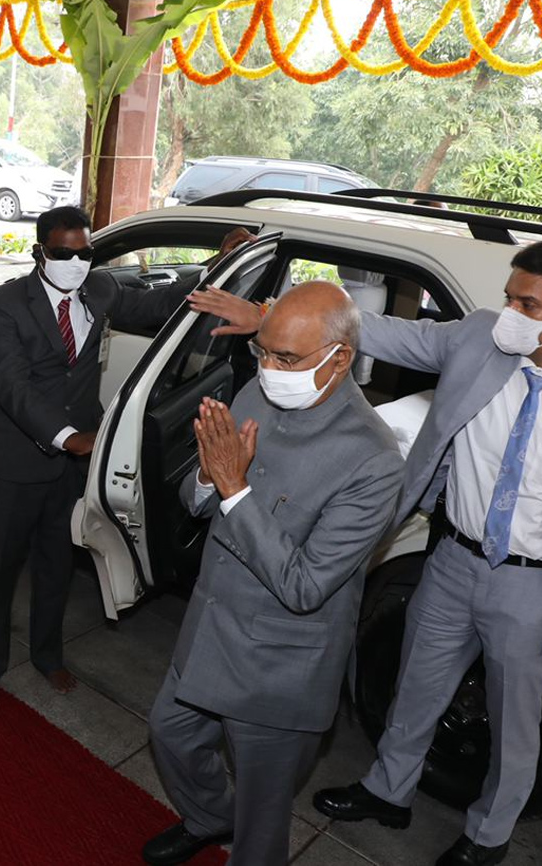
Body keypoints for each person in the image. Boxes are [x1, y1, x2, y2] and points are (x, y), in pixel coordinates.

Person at [191, 238, 542, 865]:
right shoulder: (480, 339)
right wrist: (272, 317)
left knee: (516, 723)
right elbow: (379, 330)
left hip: (536, 586)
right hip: (452, 560)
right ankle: (389, 791)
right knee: (416, 685)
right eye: (508, 297)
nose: (510, 313)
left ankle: (487, 836)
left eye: (529, 303)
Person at [143, 282, 404, 866]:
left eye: (286, 359)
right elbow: (195, 498)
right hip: (210, 629)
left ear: (339, 359)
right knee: (171, 735)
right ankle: (210, 818)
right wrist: (211, 480)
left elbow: (305, 586)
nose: (268, 369)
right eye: (262, 351)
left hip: (278, 664)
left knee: (262, 825)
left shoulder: (374, 460)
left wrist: (235, 489)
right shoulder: (259, 394)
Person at [0, 205, 199, 707]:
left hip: (71, 469)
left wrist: (221, 266)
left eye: (85, 252)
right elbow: (10, 384)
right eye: (62, 252)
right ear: (39, 252)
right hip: (15, 462)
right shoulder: (2, 304)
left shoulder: (99, 290)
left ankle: (48, 656)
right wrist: (69, 436)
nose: (75, 261)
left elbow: (161, 306)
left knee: (56, 565)